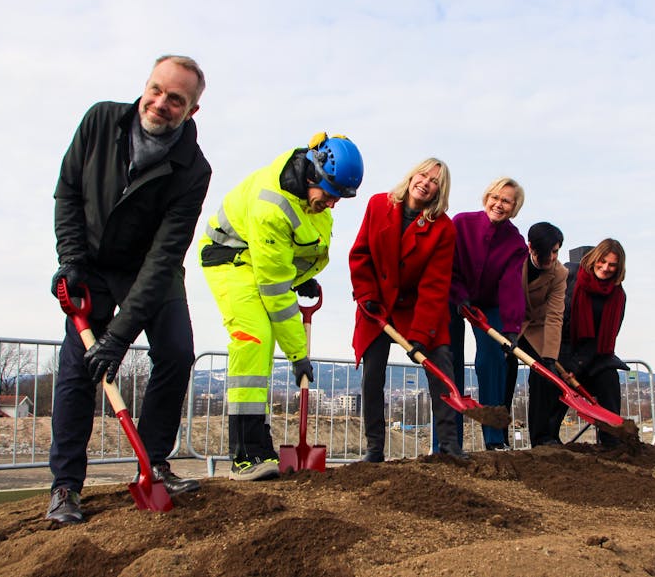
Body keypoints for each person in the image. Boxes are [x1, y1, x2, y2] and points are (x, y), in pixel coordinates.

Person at [47, 55, 211, 525]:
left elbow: (164, 257)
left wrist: (119, 337)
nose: (160, 103)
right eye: (156, 90)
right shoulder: (101, 120)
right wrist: (72, 259)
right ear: (146, 86)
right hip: (94, 262)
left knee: (177, 352)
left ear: (191, 111)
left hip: (151, 269)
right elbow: (68, 192)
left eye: (175, 99)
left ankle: (155, 460)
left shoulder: (193, 170)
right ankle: (65, 487)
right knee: (79, 369)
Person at [199, 132, 363, 480]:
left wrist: (300, 276)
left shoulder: (309, 192)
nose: (333, 204)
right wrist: (298, 354)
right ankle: (244, 454)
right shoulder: (271, 206)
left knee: (261, 340)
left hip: (260, 258)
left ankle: (259, 446)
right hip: (229, 257)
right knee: (254, 338)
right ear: (314, 174)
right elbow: (275, 293)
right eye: (332, 196)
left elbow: (298, 245)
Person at [349, 158, 466, 461]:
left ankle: (450, 446)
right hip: (376, 303)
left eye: (434, 181)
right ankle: (375, 448)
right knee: (372, 376)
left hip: (417, 308)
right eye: (423, 175)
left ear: (440, 191)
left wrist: (420, 336)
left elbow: (435, 285)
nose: (426, 182)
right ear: (413, 175)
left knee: (440, 367)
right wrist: (366, 294)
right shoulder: (378, 205)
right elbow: (360, 253)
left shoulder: (443, 229)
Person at [447, 177, 528, 451]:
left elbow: (511, 285)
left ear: (514, 207)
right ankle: (449, 442)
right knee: (450, 360)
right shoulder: (461, 223)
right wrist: (460, 296)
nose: (499, 204)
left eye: (506, 201)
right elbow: (450, 265)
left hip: (489, 303)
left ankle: (494, 439)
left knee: (492, 359)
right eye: (495, 197)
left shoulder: (515, 243)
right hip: (455, 296)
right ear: (486, 198)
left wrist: (512, 327)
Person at [549, 238, 630, 448]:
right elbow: (555, 319)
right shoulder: (570, 276)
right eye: (602, 262)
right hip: (561, 352)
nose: (605, 268)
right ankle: (547, 440)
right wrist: (564, 363)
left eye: (612, 265)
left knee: (609, 379)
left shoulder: (618, 296)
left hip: (594, 356)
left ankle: (611, 439)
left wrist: (579, 366)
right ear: (594, 259)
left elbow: (608, 339)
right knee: (554, 384)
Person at [500, 222, 568, 448]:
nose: (551, 259)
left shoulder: (559, 273)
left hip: (536, 329)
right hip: (508, 324)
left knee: (543, 373)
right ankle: (499, 437)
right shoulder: (514, 259)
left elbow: (555, 316)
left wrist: (549, 356)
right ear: (531, 247)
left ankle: (541, 439)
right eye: (546, 253)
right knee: (504, 371)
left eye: (556, 252)